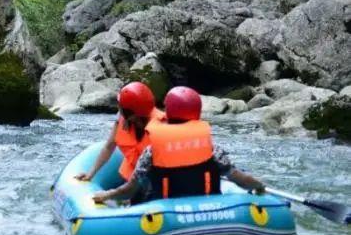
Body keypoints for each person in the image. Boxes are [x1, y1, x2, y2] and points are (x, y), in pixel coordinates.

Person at [92, 86, 266, 204]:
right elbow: (239, 179)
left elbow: (130, 190)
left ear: (169, 113)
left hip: (166, 213)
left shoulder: (151, 151)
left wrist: (106, 196)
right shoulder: (211, 149)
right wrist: (259, 185)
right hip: (209, 210)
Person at [75, 82, 165, 187]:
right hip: (133, 178)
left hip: (155, 180)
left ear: (130, 113)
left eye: (120, 106)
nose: (119, 109)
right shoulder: (121, 121)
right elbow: (108, 148)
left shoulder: (161, 126)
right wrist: (90, 174)